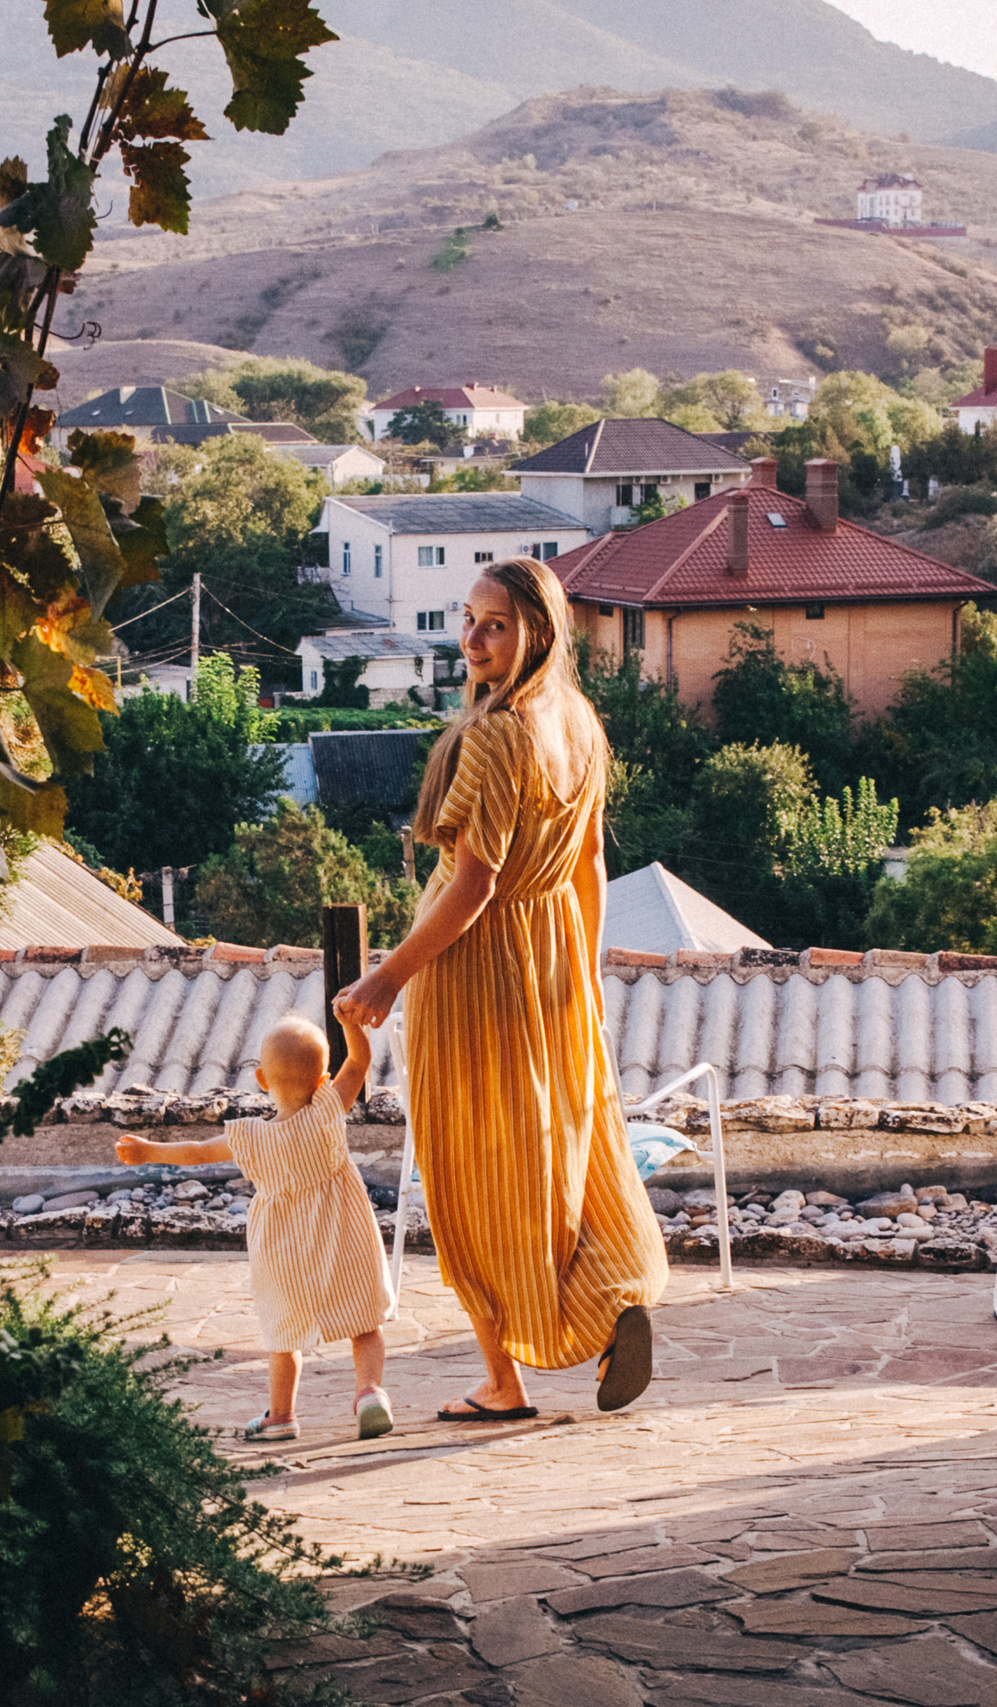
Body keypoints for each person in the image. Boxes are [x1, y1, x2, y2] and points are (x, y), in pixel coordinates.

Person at [333, 557, 668, 1420]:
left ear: (539, 634)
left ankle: (503, 1381)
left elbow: (471, 887)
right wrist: (583, 974)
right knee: (562, 1149)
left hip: (477, 967)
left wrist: (386, 976)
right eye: (471, 620)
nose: (475, 641)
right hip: (553, 955)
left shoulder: (495, 735)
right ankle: (610, 1299)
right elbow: (591, 861)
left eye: (497, 625)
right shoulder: (582, 723)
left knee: (471, 1171)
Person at [115, 1014, 394, 1442]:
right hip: (343, 1232)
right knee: (363, 1320)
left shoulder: (248, 1137)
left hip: (283, 1247)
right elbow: (358, 1062)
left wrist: (149, 1150)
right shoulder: (326, 1110)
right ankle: (369, 1392)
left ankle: (281, 1416)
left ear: (262, 1078)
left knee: (283, 1332)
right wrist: (350, 1024)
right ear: (322, 1079)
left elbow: (196, 1152)